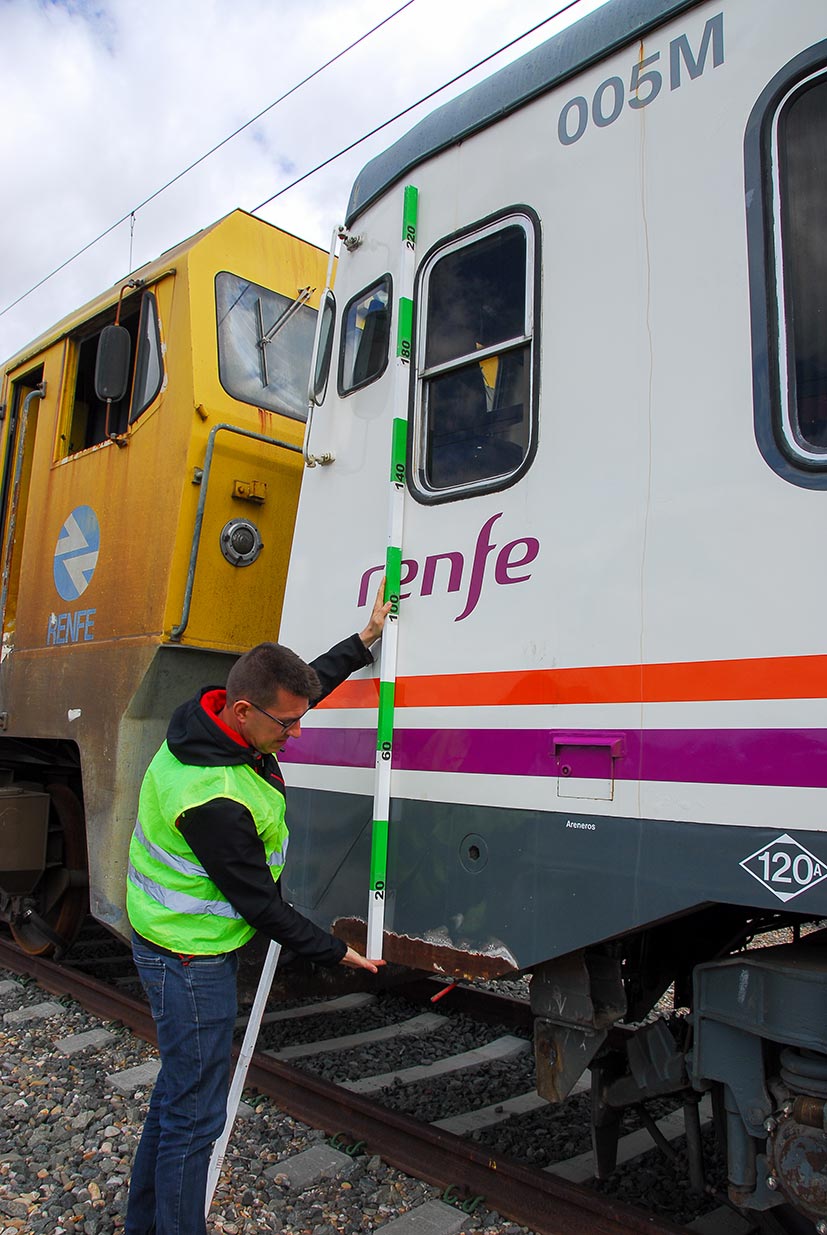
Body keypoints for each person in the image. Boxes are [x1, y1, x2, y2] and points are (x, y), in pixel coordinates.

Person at [124, 590, 389, 1235]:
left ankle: (143, 1224)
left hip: (175, 941)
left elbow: (304, 690)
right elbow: (261, 907)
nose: (295, 734)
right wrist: (334, 950)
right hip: (187, 957)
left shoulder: (215, 722)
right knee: (197, 1113)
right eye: (285, 726)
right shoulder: (210, 793)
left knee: (178, 1092)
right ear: (245, 711)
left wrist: (364, 640)